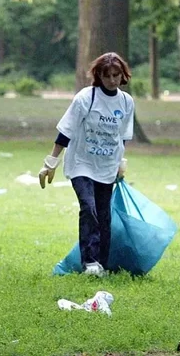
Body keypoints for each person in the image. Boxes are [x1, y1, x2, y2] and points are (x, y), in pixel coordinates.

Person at [38, 52, 135, 277]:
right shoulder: (86, 98)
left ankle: (102, 263)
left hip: (107, 166)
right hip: (81, 163)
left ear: (123, 75)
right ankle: (89, 262)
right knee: (88, 207)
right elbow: (66, 131)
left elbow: (122, 136)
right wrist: (50, 162)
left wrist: (120, 162)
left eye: (116, 75)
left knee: (104, 215)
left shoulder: (126, 102)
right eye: (107, 75)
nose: (112, 80)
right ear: (98, 76)